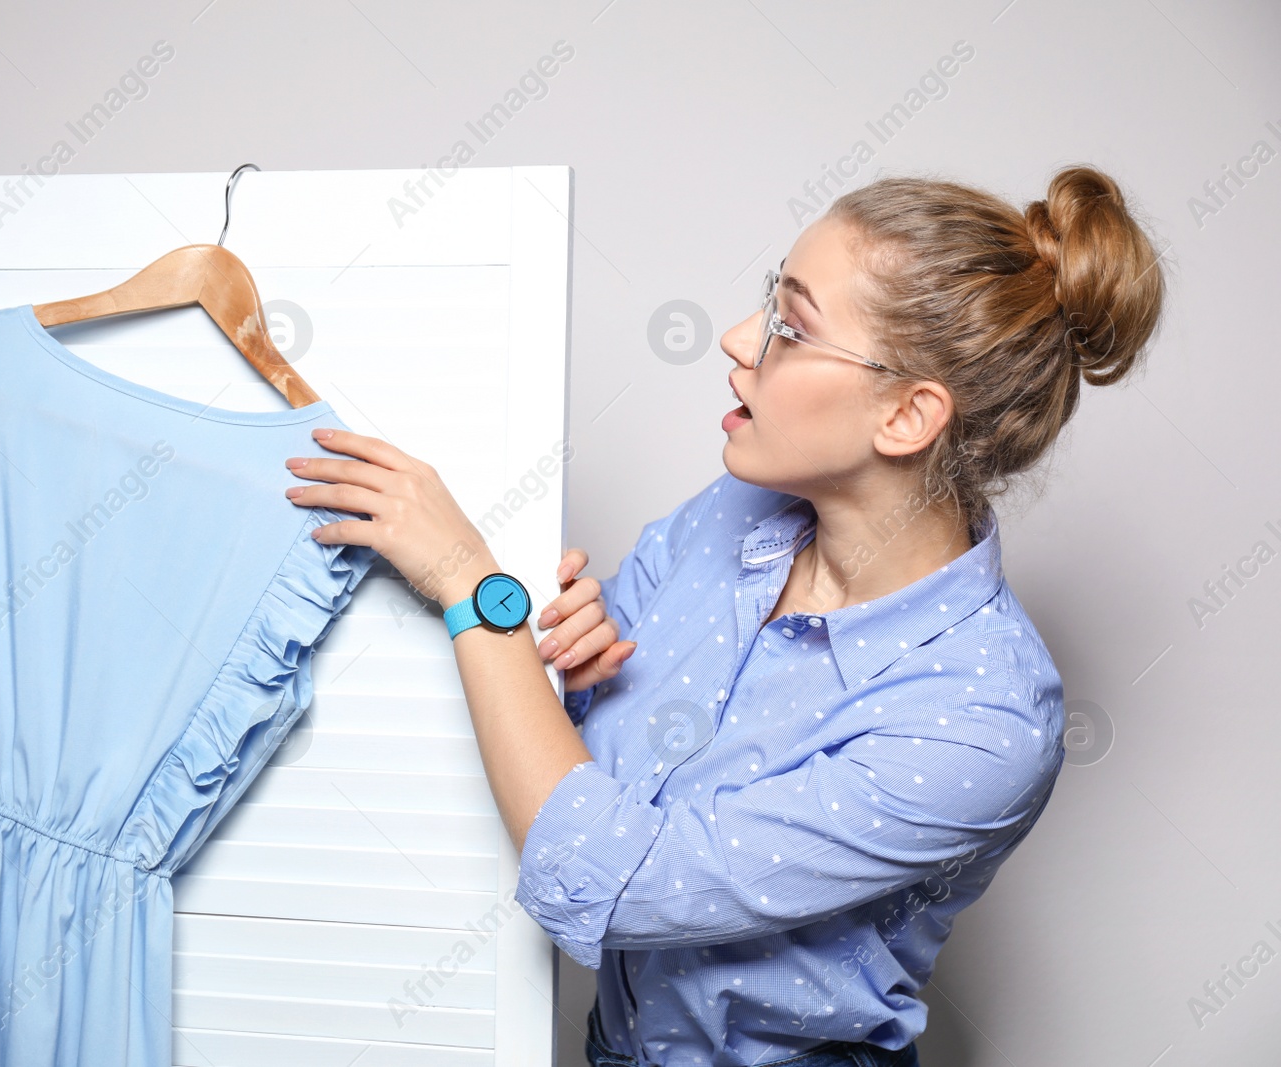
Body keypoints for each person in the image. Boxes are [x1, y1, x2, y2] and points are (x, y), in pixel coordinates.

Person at [282, 164, 1166, 1066]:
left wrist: (475, 588)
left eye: (792, 323)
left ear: (906, 415)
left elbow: (611, 877)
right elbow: (575, 760)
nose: (742, 339)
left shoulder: (986, 719)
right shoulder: (736, 513)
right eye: (766, 301)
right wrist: (574, 677)